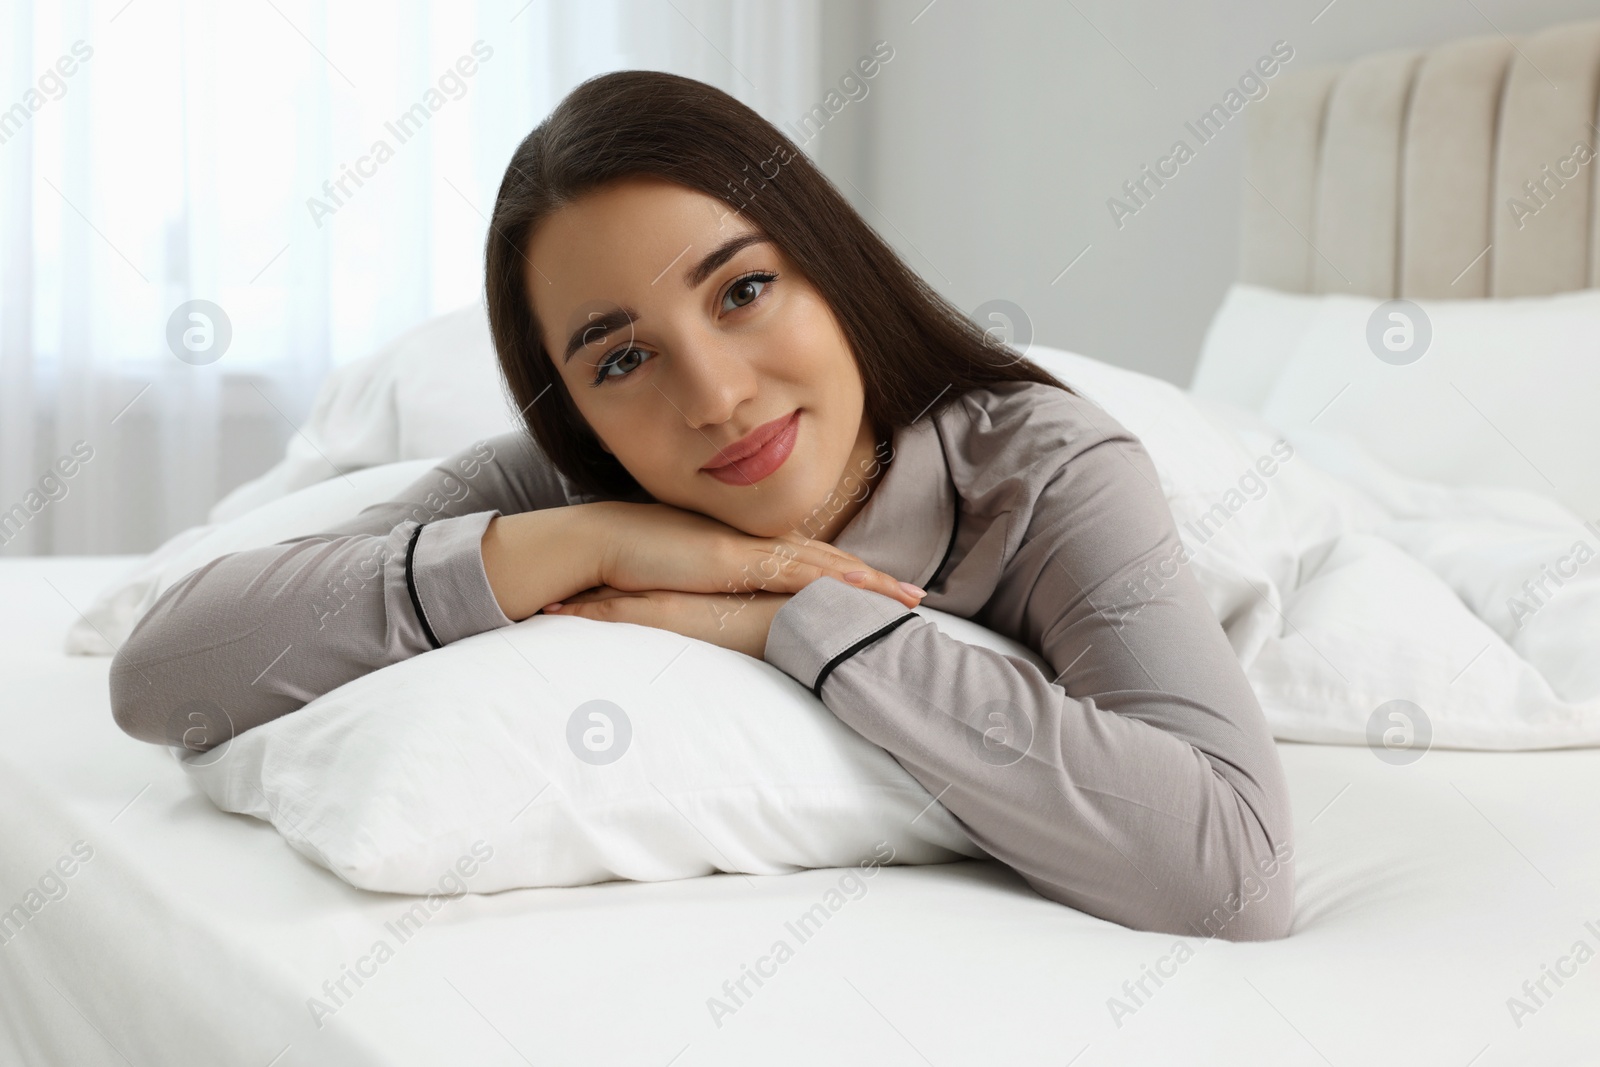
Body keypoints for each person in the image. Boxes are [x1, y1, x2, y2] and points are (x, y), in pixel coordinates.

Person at [110, 70, 1295, 941]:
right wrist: (595, 538)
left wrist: (778, 613)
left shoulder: (1040, 471)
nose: (717, 398)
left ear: (828, 263)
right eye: (619, 361)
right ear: (570, 409)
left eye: (743, 290)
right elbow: (161, 676)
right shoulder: (563, 488)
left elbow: (1231, 871)